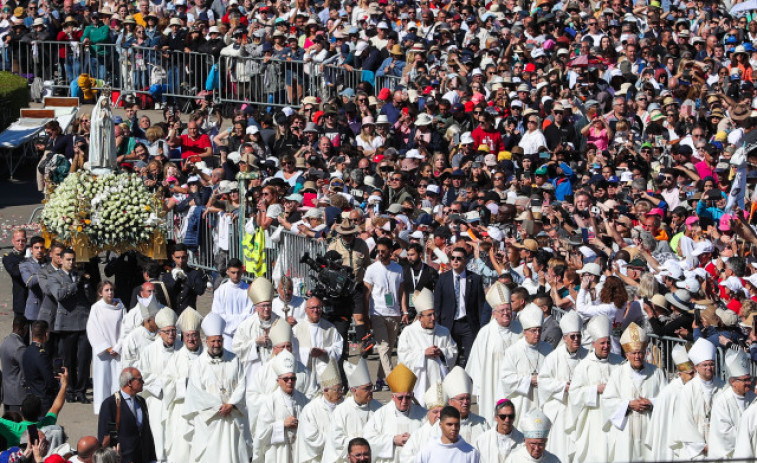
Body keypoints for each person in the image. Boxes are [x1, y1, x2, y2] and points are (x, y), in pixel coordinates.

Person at [184, 313, 250, 463]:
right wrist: (217, 408)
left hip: (231, 417)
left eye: (219, 340)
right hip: (210, 421)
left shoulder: (234, 360)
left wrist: (231, 404)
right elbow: (196, 393)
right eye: (213, 341)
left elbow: (242, 384)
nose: (216, 344)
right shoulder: (198, 365)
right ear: (206, 341)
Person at [601, 322, 667, 461]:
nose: (637, 356)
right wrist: (629, 405)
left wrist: (651, 403)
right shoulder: (618, 373)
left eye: (641, 353)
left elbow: (667, 399)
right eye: (634, 353)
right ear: (627, 354)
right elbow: (607, 401)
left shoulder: (657, 373)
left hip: (650, 429)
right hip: (626, 431)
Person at [568, 315, 623, 463]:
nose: (606, 346)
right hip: (594, 419)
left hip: (615, 418)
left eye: (608, 342)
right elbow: (574, 393)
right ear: (594, 344)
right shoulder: (584, 366)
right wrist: (595, 389)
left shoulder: (619, 362)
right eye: (602, 343)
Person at [466, 282, 521, 424]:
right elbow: (476, 362)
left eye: (508, 309)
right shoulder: (486, 333)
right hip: (492, 383)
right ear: (494, 313)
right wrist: (478, 387)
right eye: (501, 310)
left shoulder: (520, 329)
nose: (506, 313)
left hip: (516, 384)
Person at [536, 311, 587, 461]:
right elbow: (542, 382)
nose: (576, 339)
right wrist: (563, 386)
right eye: (573, 336)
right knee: (561, 448)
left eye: (579, 336)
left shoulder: (587, 356)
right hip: (561, 411)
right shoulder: (553, 357)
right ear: (565, 338)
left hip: (580, 411)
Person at [47, 248, 95, 404]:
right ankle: (69, 389)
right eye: (68, 260)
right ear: (61, 260)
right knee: (68, 360)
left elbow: (91, 298)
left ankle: (81, 391)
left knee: (84, 359)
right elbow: (59, 295)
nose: (71, 262)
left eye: (73, 259)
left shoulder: (80, 276)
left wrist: (87, 286)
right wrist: (75, 285)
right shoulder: (54, 276)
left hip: (83, 322)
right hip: (67, 323)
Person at [397, 288, 457, 405]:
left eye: (434, 314)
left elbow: (453, 351)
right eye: (429, 315)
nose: (433, 318)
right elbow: (403, 357)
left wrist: (442, 352)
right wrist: (423, 354)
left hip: (440, 381)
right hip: (419, 382)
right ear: (420, 318)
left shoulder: (443, 331)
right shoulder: (409, 332)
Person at [135, 307, 180, 462]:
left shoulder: (182, 348)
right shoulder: (149, 351)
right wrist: (164, 384)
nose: (171, 335)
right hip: (158, 400)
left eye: (173, 331)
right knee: (159, 433)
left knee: (175, 433)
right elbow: (143, 375)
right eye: (167, 331)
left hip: (178, 400)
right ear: (160, 333)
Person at [499, 304, 552, 428]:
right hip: (523, 402)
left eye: (540, 330)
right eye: (533, 330)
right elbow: (506, 379)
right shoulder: (513, 351)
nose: (538, 334)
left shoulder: (548, 349)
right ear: (525, 332)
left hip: (542, 400)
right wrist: (528, 380)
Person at [364, 237, 407, 389]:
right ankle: (393, 380)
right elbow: (366, 293)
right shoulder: (371, 269)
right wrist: (365, 315)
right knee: (383, 347)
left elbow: (402, 291)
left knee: (388, 350)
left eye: (383, 251)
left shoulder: (398, 268)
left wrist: (404, 310)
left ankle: (380, 380)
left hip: (394, 313)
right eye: (378, 251)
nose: (380, 254)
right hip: (377, 312)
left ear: (390, 251)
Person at [672, 338, 726, 458]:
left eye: (711, 364)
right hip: (695, 450)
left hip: (719, 447)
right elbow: (685, 422)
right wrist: (702, 446)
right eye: (705, 365)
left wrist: (718, 444)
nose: (709, 368)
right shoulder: (688, 390)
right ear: (696, 367)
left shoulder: (723, 387)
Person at [163, 307, 204, 463]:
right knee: (183, 451)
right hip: (182, 412)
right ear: (183, 337)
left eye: (194, 335)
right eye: (188, 336)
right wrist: (184, 384)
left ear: (199, 336)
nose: (191, 339)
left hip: (203, 411)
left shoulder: (207, 357)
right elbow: (167, 384)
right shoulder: (176, 359)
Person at [254, 349, 310, 463]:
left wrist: (302, 424)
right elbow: (261, 434)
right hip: (278, 453)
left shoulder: (303, 399)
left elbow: (312, 424)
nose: (290, 381)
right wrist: (282, 425)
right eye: (286, 379)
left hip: (299, 451)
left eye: (293, 378)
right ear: (278, 381)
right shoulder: (270, 401)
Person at [322, 357, 381, 463]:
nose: (371, 391)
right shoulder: (341, 411)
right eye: (367, 388)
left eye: (371, 387)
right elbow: (337, 440)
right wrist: (359, 445)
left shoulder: (379, 408)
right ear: (354, 390)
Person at [433, 247, 485, 367]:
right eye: (453, 258)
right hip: (449, 324)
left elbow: (480, 305)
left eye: (459, 258)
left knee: (471, 356)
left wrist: (481, 327)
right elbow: (437, 304)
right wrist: (438, 325)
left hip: (468, 324)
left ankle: (469, 381)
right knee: (450, 357)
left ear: (465, 261)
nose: (455, 261)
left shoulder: (475, 279)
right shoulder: (442, 279)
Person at [364, 364, 427, 462]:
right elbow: (368, 440)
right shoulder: (380, 415)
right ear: (392, 396)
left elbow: (432, 439)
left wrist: (414, 440)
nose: (404, 401)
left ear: (412, 395)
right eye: (400, 397)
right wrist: (392, 440)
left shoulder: (423, 414)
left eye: (408, 397)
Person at [645, 344, 697, 461]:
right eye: (690, 374)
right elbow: (664, 427)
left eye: (695, 372)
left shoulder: (698, 388)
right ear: (680, 374)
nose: (694, 377)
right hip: (673, 448)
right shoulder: (669, 393)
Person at [96, 368, 156, 463]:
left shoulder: (141, 401)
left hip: (142, 458)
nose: (143, 382)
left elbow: (146, 432)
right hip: (124, 459)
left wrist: (152, 458)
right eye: (140, 379)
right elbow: (108, 436)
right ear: (129, 383)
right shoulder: (111, 404)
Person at [0, 366, 68, 447]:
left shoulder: (11, 428)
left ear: (21, 409)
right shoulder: (45, 425)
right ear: (40, 412)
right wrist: (64, 385)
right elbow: (56, 406)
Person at [86, 281, 126, 415]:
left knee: (117, 379)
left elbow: (125, 328)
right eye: (106, 290)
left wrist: (118, 346)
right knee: (103, 380)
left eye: (111, 290)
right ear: (100, 293)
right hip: (103, 352)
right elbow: (92, 329)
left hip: (117, 351)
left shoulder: (120, 306)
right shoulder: (96, 308)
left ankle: (118, 407)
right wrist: (107, 347)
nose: (110, 293)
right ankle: (103, 409)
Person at [232, 276, 280, 387]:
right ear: (256, 307)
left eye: (269, 305)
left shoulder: (279, 323)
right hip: (254, 372)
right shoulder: (246, 326)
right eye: (263, 306)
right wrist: (255, 343)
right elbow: (236, 349)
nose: (267, 309)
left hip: (276, 372)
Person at [296, 359, 345, 463]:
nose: (341, 392)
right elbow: (311, 438)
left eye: (342, 389)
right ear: (326, 391)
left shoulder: (345, 405)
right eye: (337, 390)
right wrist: (337, 439)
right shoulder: (311, 410)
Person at [708, 349, 754, 459]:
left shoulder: (753, 397)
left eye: (749, 379)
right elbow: (724, 433)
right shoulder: (722, 402)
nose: (749, 383)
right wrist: (749, 435)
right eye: (745, 380)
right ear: (733, 381)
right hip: (729, 455)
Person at [293, 296, 344, 386]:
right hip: (305, 372)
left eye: (318, 307)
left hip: (326, 373)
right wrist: (308, 352)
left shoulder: (330, 327)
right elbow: (293, 350)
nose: (316, 310)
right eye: (312, 308)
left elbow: (338, 346)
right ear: (306, 310)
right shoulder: (297, 329)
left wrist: (325, 352)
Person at [400, 383, 448, 461]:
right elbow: (405, 459)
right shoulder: (418, 435)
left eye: (443, 412)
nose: (439, 415)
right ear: (428, 413)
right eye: (435, 412)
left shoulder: (455, 432)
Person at [415, 406, 480, 463]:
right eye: (449, 424)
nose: (454, 428)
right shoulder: (427, 452)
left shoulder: (471, 453)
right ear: (440, 425)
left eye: (456, 424)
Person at [443, 366, 489, 444]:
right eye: (461, 399)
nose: (465, 402)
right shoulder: (441, 425)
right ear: (451, 402)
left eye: (468, 398)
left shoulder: (482, 423)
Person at [211, 258, 252, 346]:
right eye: (233, 272)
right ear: (227, 272)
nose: (236, 275)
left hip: (244, 334)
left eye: (238, 272)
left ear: (242, 271)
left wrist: (235, 323)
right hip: (226, 335)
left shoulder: (249, 290)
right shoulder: (220, 291)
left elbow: (250, 313)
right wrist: (236, 323)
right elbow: (217, 314)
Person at [22, 321, 58, 411]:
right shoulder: (41, 354)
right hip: (42, 398)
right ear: (46, 333)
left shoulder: (27, 350)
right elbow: (49, 380)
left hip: (30, 394)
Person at [161, 244, 206, 313]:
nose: (181, 260)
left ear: (187, 256)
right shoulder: (167, 275)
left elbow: (200, 291)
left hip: (189, 313)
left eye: (183, 257)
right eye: (178, 257)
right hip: (173, 313)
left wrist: (186, 279)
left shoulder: (195, 273)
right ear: (173, 257)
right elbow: (167, 293)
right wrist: (174, 279)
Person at [119, 298, 160, 369]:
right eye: (156, 318)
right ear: (148, 320)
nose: (159, 321)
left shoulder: (162, 334)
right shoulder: (132, 338)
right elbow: (128, 364)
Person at [0, 316, 28, 412]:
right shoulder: (19, 347)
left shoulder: (4, 342)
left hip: (6, 393)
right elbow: (25, 372)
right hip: (18, 396)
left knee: (8, 424)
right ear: (23, 328)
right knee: (19, 425)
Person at [19, 236, 48, 322]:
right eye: (36, 248)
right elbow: (29, 282)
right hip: (35, 309)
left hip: (50, 309)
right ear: (31, 249)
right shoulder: (25, 264)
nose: (39, 250)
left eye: (42, 247)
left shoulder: (49, 263)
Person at [3, 229, 28, 318]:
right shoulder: (9, 258)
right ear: (13, 241)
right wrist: (28, 261)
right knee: (20, 330)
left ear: (26, 240)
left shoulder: (32, 254)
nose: (20, 243)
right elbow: (15, 272)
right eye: (18, 240)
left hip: (35, 301)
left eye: (23, 240)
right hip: (20, 301)